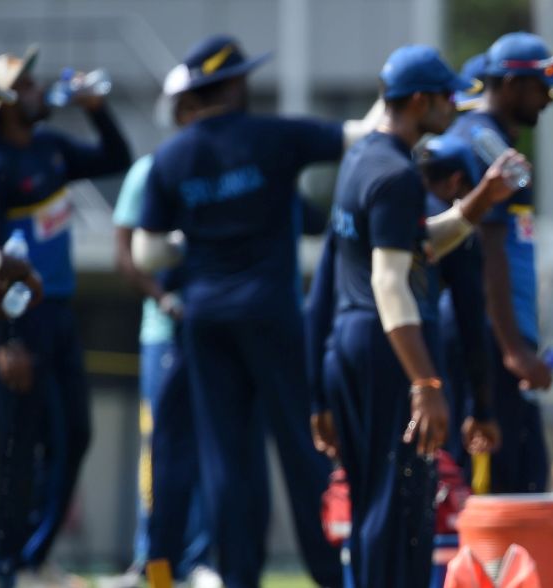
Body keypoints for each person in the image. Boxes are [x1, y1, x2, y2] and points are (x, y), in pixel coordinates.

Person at [132, 34, 374, 588]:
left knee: (225, 457)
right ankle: (328, 573)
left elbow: (147, 250)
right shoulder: (275, 136)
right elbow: (359, 137)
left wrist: (197, 238)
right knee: (302, 444)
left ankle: (238, 575)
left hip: (205, 319)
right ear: (237, 84)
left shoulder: (170, 157)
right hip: (272, 314)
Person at [312, 44, 523, 588]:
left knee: (370, 504)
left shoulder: (362, 159)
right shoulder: (397, 173)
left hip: (350, 343)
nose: (454, 108)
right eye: (448, 98)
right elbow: (390, 282)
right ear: (422, 101)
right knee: (399, 505)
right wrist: (425, 382)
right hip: (388, 352)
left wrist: (477, 202)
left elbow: (414, 244)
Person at [0, 44, 132, 588]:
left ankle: (33, 554)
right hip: (18, 320)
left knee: (75, 433)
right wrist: (5, 338)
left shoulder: (49, 148)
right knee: (16, 443)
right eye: (23, 86)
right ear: (4, 102)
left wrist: (96, 107)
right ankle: (7, 562)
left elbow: (115, 157)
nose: (35, 91)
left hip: (62, 314)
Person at [444, 31, 553, 493]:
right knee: (496, 481)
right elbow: (488, 250)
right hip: (483, 339)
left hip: (493, 335)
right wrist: (512, 350)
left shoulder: (486, 137)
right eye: (542, 88)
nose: (548, 100)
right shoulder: (486, 145)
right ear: (512, 85)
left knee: (522, 470)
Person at [108, 65, 218, 588]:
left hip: (210, 330)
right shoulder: (150, 170)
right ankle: (148, 556)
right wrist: (165, 297)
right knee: (161, 448)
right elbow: (127, 257)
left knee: (204, 445)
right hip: (163, 334)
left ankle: (196, 557)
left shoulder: (212, 171)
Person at [416, 135, 501, 467]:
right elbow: (471, 325)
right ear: (456, 182)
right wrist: (482, 410)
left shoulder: (388, 206)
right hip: (423, 371)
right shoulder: (458, 233)